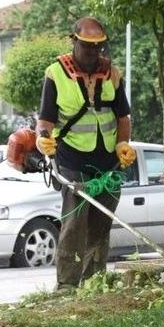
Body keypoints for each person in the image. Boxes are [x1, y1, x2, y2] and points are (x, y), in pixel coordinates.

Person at [34, 16, 136, 290]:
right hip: (73, 160)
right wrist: (43, 140)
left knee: (100, 227)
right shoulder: (55, 73)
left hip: (108, 164)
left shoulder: (112, 73)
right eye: (87, 46)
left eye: (98, 46)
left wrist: (123, 143)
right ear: (74, 41)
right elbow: (45, 120)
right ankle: (67, 285)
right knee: (74, 225)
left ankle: (94, 283)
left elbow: (123, 116)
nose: (93, 52)